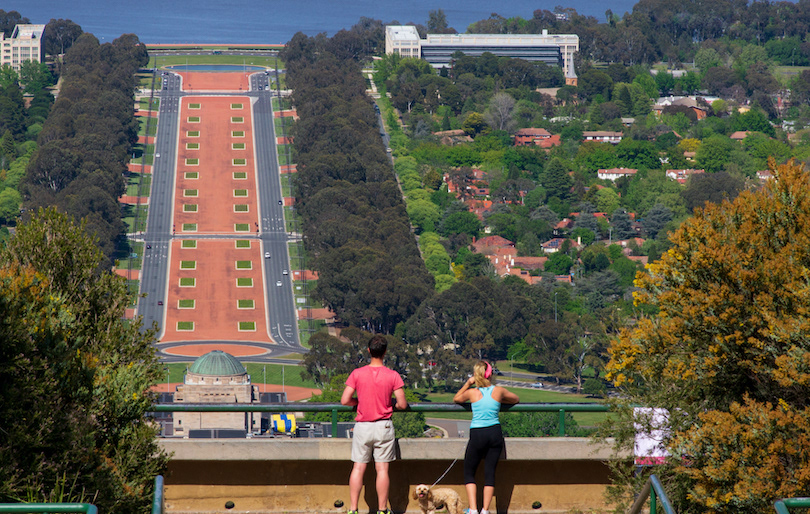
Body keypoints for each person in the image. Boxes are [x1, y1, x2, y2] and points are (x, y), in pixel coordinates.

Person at [341, 335, 408, 514]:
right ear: (385, 352)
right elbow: (402, 404)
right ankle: (382, 509)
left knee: (358, 467)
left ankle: (353, 509)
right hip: (383, 426)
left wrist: (359, 401)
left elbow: (345, 400)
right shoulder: (393, 375)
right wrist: (389, 404)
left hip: (363, 426)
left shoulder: (357, 373)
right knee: (382, 469)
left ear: (369, 351)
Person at [453, 361, 519, 514]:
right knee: (490, 472)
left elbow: (456, 399)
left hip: (478, 433)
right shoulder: (499, 390)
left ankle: (473, 509)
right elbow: (515, 399)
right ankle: (485, 510)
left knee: (469, 472)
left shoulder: (472, 393)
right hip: (495, 433)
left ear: (476, 375)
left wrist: (468, 383)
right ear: (490, 374)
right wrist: (500, 399)